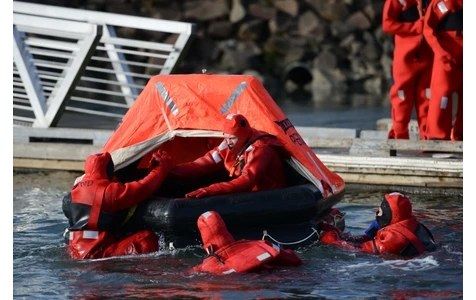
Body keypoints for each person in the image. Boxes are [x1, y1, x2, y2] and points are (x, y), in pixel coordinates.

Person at [65, 150, 171, 260]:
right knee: (146, 238)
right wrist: (161, 168)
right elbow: (144, 187)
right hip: (97, 252)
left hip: (76, 250)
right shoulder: (109, 191)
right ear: (109, 169)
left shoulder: (73, 192)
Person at [171, 113, 288, 198]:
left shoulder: (261, 149)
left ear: (243, 136)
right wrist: (169, 170)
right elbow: (203, 163)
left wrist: (210, 190)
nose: (228, 142)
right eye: (225, 137)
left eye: (232, 138)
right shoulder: (228, 144)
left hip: (268, 196)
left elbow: (247, 180)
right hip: (248, 192)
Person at [319, 192, 436, 257]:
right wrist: (339, 233)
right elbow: (364, 241)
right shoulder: (414, 225)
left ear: (389, 215)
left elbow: (358, 250)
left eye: (380, 211)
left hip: (412, 266)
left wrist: (330, 238)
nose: (376, 214)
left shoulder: (394, 237)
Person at [382, 0, 433, 139]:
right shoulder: (396, 1)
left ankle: (427, 139)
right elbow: (387, 24)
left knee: (427, 99)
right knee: (401, 98)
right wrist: (416, 27)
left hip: (428, 57)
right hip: (405, 59)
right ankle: (399, 136)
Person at [193, 211, 302, 274]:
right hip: (276, 279)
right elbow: (294, 259)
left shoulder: (204, 268)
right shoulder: (259, 244)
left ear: (207, 245)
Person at [423, 0, 463, 140]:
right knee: (442, 94)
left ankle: (461, 134)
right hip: (445, 54)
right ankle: (437, 137)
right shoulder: (439, 3)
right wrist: (441, 52)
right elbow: (428, 30)